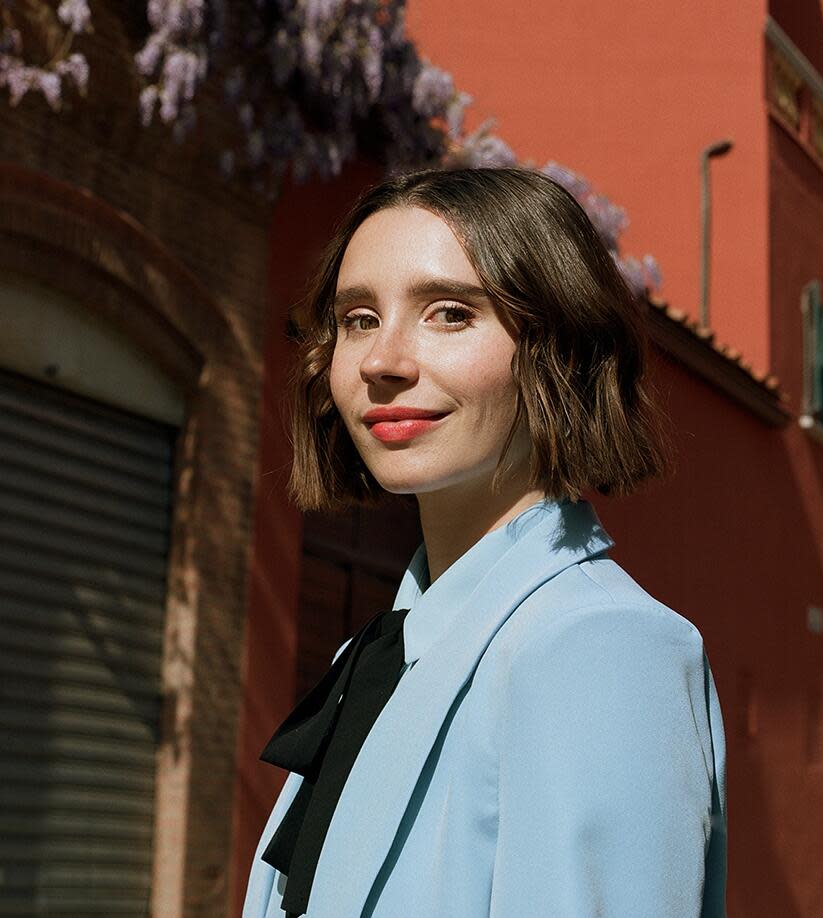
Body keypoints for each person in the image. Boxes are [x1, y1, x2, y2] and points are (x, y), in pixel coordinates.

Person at [243, 167, 727, 918]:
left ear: (559, 350)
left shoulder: (596, 646)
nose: (381, 361)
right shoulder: (380, 651)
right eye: (359, 318)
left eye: (448, 313)